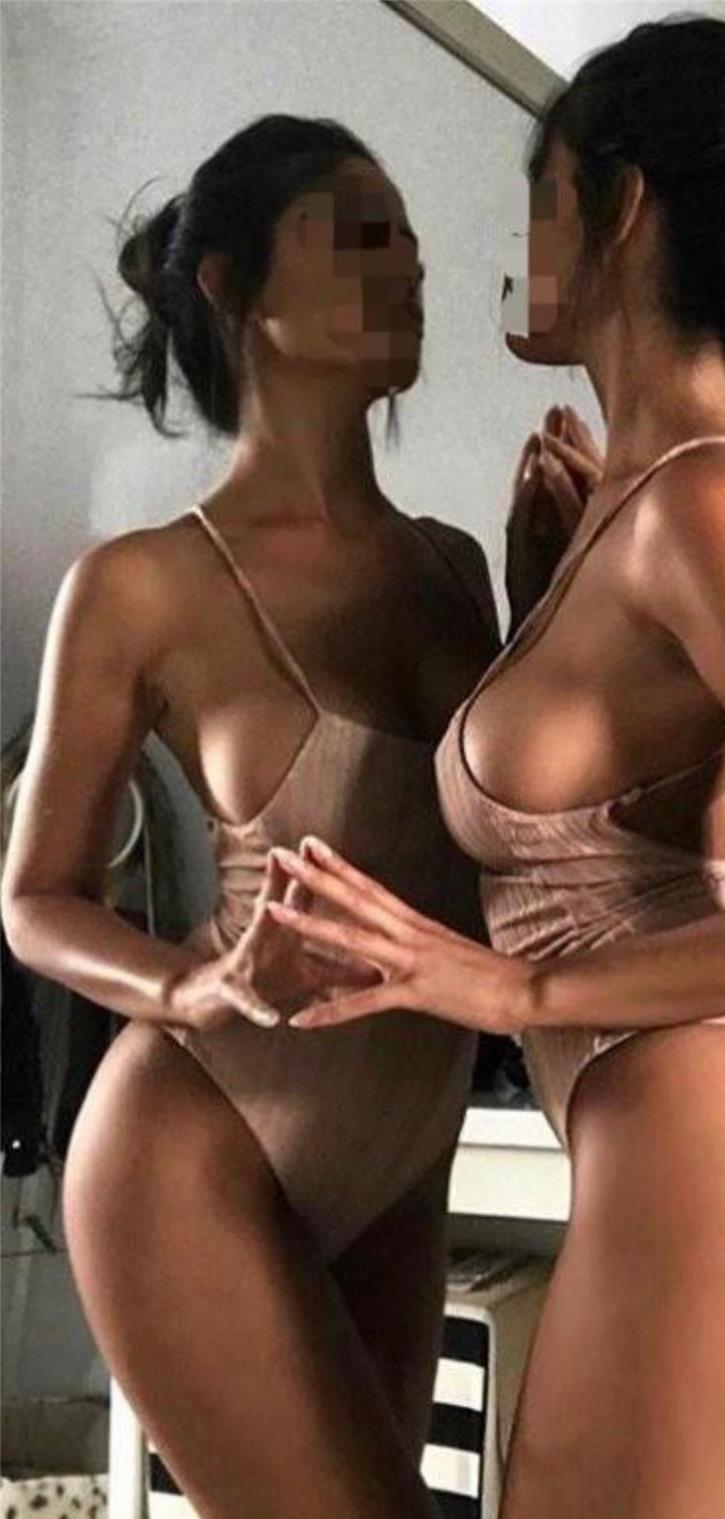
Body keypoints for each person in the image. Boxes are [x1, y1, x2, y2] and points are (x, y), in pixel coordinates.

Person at [267, 19, 725, 1516]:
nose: (520, 245)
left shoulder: (695, 510)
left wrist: (514, 992)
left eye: (543, 197)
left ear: (622, 207)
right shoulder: (684, 500)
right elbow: (712, 850)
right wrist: (541, 615)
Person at [0, 114, 512, 1519]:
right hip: (195, 1139)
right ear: (231, 285)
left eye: (410, 237)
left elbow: (519, 859)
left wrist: (555, 597)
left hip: (405, 1148)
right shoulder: (140, 586)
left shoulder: (458, 568)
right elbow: (33, 899)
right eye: (358, 233)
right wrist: (199, 980)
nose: (407, 263)